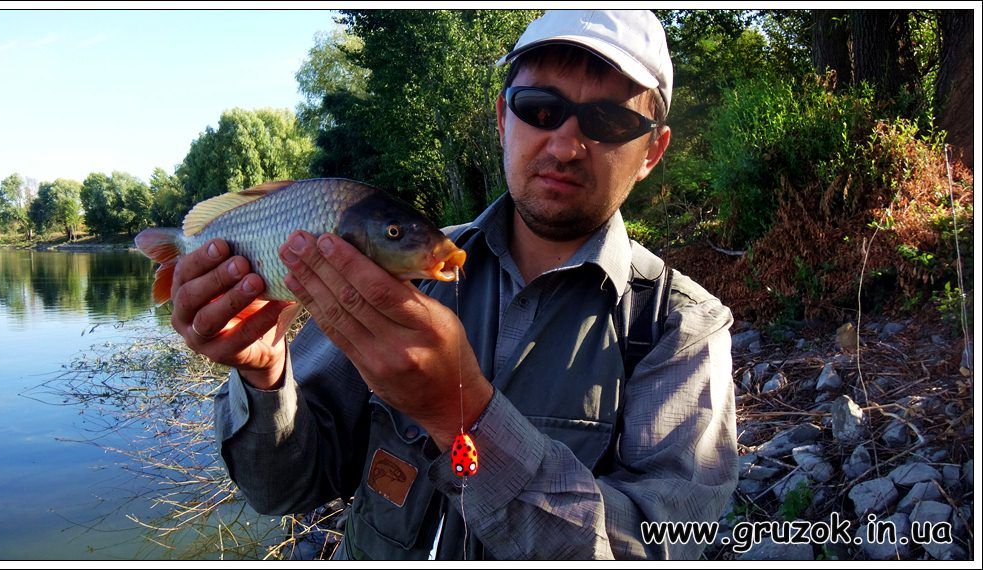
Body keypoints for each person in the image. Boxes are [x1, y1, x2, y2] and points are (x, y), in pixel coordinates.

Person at [171, 10, 737, 560]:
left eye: (609, 121)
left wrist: (460, 416)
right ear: (503, 118)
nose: (565, 146)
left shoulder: (682, 328)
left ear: (652, 151)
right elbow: (282, 490)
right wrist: (266, 374)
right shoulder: (392, 269)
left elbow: (663, 546)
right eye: (540, 109)